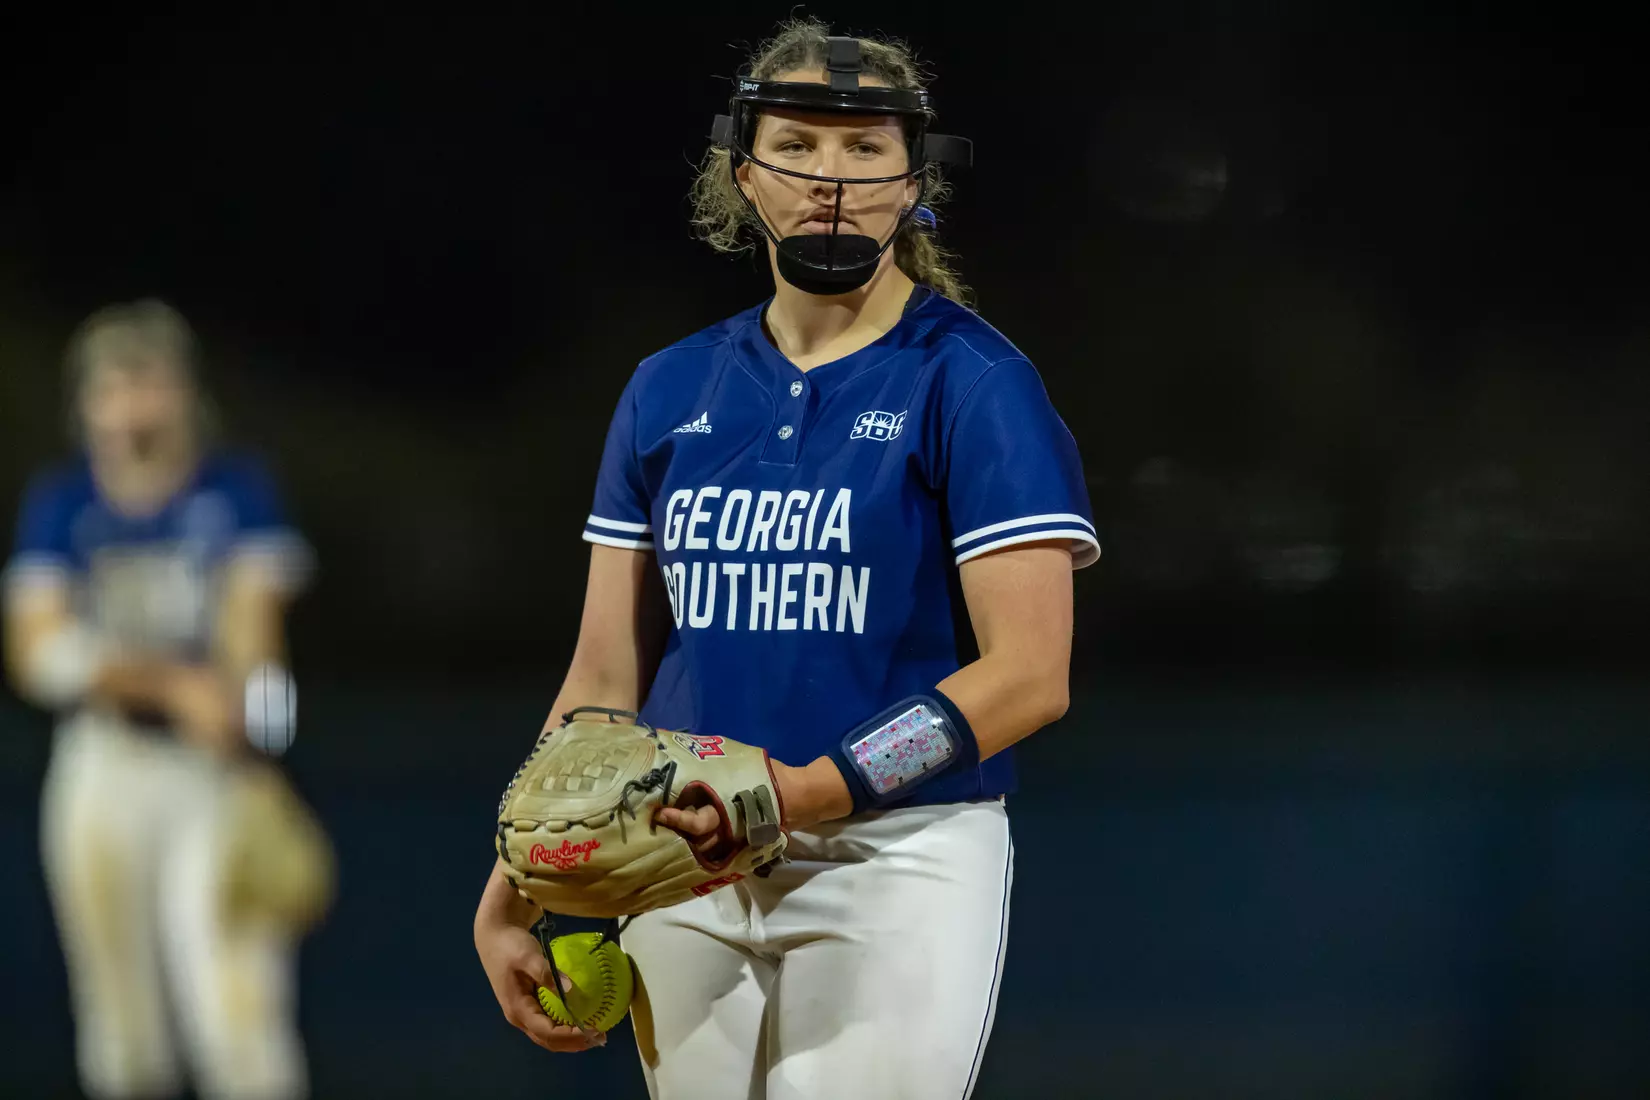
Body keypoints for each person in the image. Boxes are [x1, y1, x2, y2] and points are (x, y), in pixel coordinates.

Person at [473, 18, 1099, 1100]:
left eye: (866, 148)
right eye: (798, 145)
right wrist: (514, 887)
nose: (831, 178)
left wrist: (806, 791)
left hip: (894, 856)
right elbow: (604, 676)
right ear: (744, 174)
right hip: (679, 857)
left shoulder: (975, 384)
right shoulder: (668, 389)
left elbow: (1030, 676)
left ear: (915, 180)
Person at [2, 299, 323, 1100]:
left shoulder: (234, 491)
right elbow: (37, 654)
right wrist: (173, 685)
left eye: (151, 382)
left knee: (243, 1027)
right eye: (116, 386)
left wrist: (262, 744)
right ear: (86, 404)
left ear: (186, 394)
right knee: (123, 1043)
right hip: (105, 762)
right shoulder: (63, 503)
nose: (136, 407)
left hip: (212, 768)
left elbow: (259, 649)